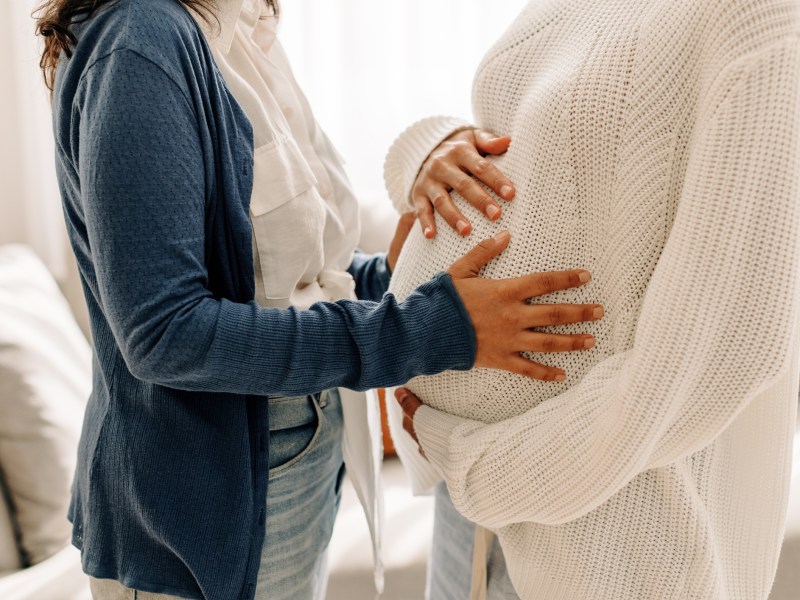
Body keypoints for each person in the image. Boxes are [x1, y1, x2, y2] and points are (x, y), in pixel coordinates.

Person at [35, 0, 604, 598]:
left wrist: (396, 274)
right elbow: (165, 334)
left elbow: (283, 280)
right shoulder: (141, 42)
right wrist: (426, 328)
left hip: (297, 458)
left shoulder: (242, 33)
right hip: (206, 495)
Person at [385, 1, 800, 599]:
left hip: (610, 537)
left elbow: (722, 356)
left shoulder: (757, 16)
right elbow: (526, 126)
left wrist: (474, 461)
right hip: (476, 515)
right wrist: (430, 149)